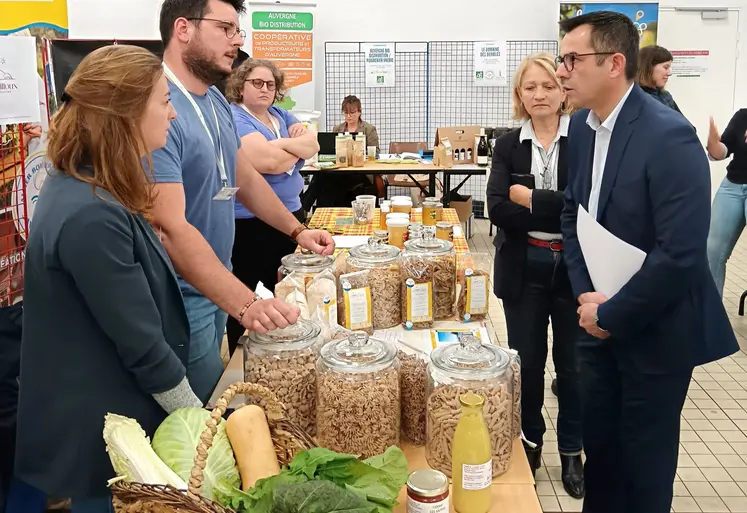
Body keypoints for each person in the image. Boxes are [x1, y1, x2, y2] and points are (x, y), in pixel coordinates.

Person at [557, 11, 738, 513]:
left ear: (615, 63)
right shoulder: (583, 126)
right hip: (596, 324)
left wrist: (612, 314)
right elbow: (574, 212)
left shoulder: (669, 135)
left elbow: (680, 255)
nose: (562, 71)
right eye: (562, 58)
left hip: (655, 334)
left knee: (644, 472)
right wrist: (587, 296)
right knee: (604, 463)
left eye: (573, 59)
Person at [15, 45, 203, 512]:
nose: (173, 114)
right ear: (125, 114)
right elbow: (141, 344)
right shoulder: (91, 215)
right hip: (102, 432)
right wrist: (199, 423)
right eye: (164, 101)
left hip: (103, 413)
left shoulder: (84, 184)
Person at [154, 0, 334, 403]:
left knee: (221, 396)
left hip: (218, 279)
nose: (238, 40)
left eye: (238, 30)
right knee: (199, 417)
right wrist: (247, 303)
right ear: (183, 28)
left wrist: (297, 230)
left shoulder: (215, 101)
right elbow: (168, 229)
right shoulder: (156, 104)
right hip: (180, 295)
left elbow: (244, 177)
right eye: (226, 28)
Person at [487, 51, 584, 499]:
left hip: (576, 269)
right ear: (519, 95)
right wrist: (553, 207)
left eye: (548, 85)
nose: (540, 94)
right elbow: (497, 208)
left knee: (574, 365)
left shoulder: (584, 138)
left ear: (563, 90)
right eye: (530, 87)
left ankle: (571, 451)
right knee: (525, 363)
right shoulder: (508, 143)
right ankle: (531, 442)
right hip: (524, 265)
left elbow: (587, 210)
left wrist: (532, 199)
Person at [224, 58, 319, 353]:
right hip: (251, 223)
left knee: (285, 288)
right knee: (249, 292)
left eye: (270, 84)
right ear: (241, 86)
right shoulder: (234, 117)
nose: (265, 89)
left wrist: (278, 149)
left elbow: (313, 145)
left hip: (291, 215)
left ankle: (284, 348)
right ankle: (242, 355)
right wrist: (291, 151)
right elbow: (268, 163)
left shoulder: (280, 114)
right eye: (257, 83)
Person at [301, 95, 381, 210]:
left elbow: (375, 152)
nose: (349, 116)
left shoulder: (368, 129)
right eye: (345, 113)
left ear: (359, 112)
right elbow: (332, 150)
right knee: (322, 175)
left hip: (359, 171)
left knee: (323, 178)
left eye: (352, 113)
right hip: (341, 169)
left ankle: (305, 206)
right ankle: (312, 208)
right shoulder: (338, 129)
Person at [705, 109, 747, 297]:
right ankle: (714, 317)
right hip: (733, 186)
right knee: (712, 252)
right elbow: (723, 151)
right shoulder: (743, 116)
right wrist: (714, 144)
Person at [637, 45, 682, 113]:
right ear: (648, 67)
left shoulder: (665, 96)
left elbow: (682, 122)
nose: (669, 73)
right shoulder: (636, 100)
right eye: (666, 67)